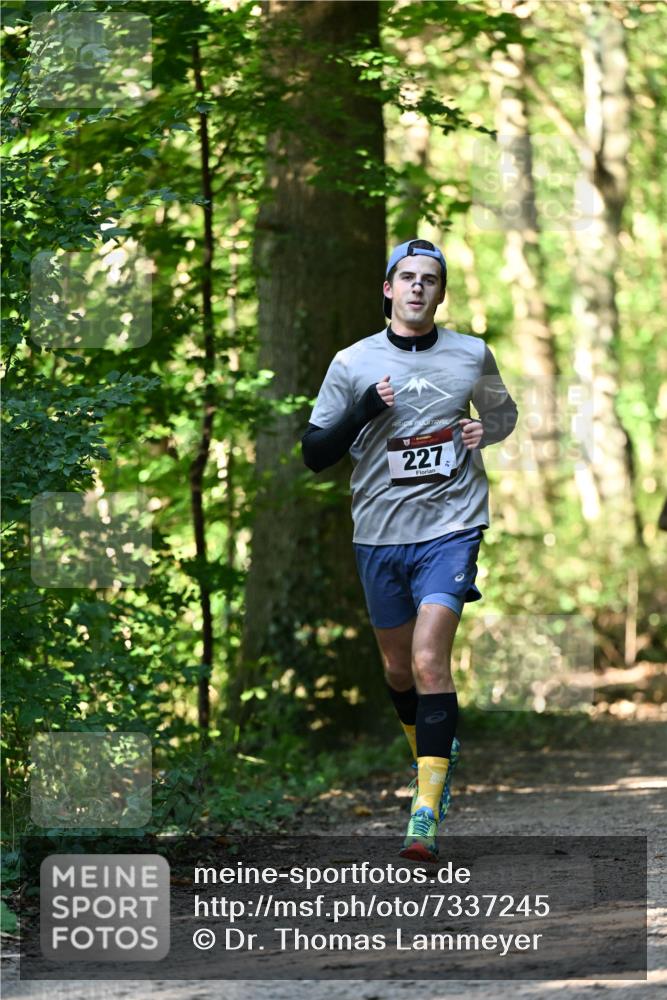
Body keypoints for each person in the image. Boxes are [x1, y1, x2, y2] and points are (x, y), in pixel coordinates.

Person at [301, 238, 518, 862]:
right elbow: (315, 454)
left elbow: (503, 417)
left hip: (452, 525)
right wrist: (366, 409)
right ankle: (430, 758)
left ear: (441, 292)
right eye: (408, 277)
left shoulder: (471, 353)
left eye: (430, 278)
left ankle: (425, 809)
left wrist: (485, 429)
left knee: (428, 662)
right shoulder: (352, 363)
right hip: (379, 532)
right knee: (398, 670)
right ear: (388, 290)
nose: (419, 287)